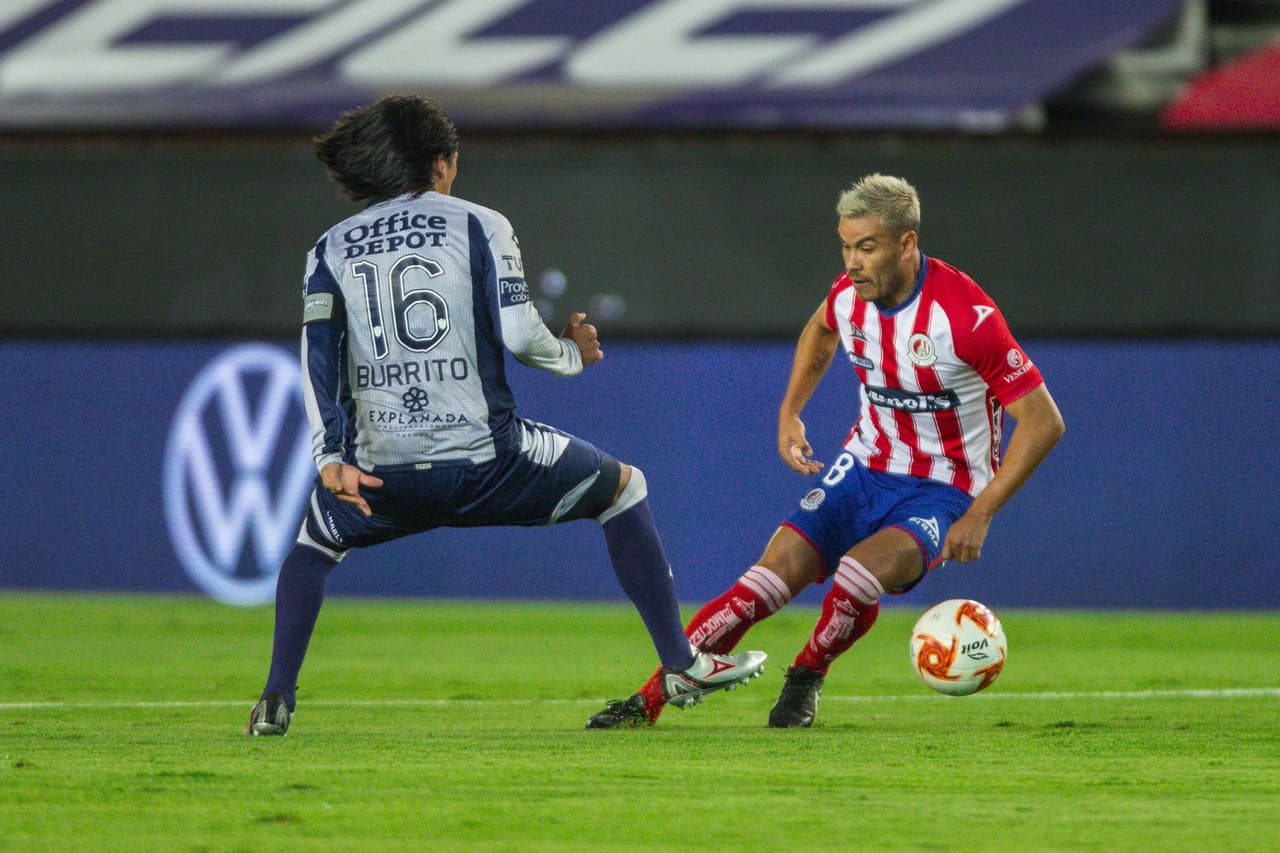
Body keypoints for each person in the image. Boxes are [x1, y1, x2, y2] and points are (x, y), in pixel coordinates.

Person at [245, 95, 766, 736]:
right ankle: (680, 664)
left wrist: (330, 458)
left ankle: (274, 701)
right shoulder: (479, 224)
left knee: (314, 544)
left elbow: (316, 357)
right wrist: (572, 354)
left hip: (384, 476)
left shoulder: (329, 249)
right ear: (440, 163)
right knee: (625, 488)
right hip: (491, 464)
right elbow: (521, 335)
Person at [588, 173, 1064, 729]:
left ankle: (806, 676)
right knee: (766, 580)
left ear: (907, 243)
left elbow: (1043, 421)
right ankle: (647, 702)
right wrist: (791, 411)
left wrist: (981, 512)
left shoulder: (965, 318)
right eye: (845, 246)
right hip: (863, 467)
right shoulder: (848, 295)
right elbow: (820, 330)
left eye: (867, 247)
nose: (853, 262)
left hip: (943, 489)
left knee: (860, 576)